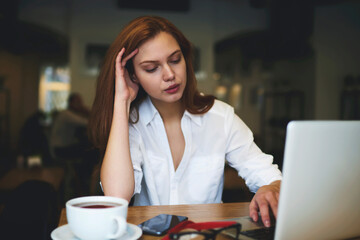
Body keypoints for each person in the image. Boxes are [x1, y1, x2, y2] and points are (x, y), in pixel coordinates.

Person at [89, 16, 282, 228]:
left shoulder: (221, 117)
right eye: (151, 68)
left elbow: (270, 177)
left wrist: (271, 187)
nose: (170, 75)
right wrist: (122, 100)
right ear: (133, 76)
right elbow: (117, 197)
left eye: (175, 59)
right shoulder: (131, 124)